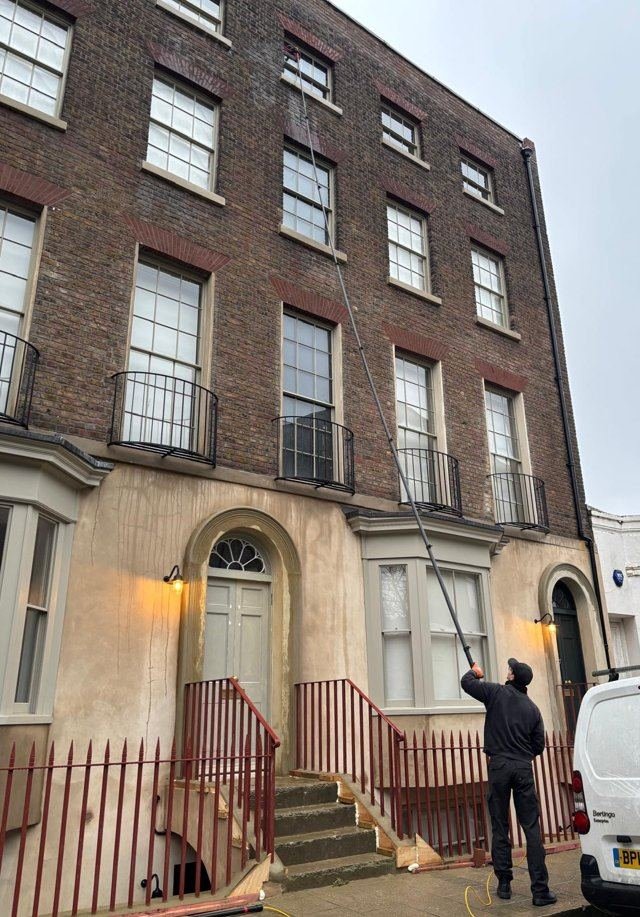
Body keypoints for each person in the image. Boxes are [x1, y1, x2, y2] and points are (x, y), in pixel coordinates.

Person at [461, 658, 557, 908]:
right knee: (531, 828)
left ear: (513, 677)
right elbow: (539, 745)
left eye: (509, 670)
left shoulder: (495, 693)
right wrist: (522, 756)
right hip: (523, 767)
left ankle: (504, 884)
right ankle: (540, 890)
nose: (507, 671)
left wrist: (475, 672)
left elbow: (466, 683)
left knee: (500, 825)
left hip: (499, 766)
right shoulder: (533, 709)